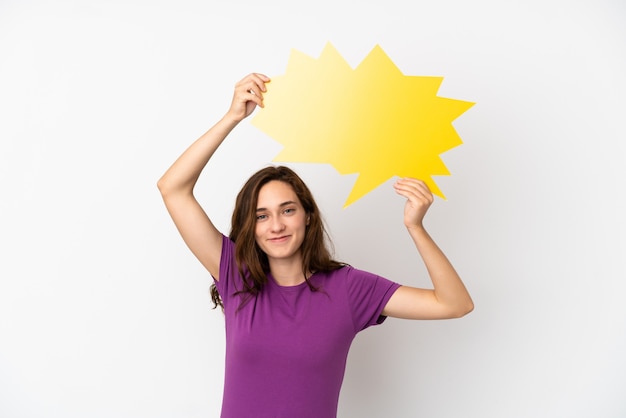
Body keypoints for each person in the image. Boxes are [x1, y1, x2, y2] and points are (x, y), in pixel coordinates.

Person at [157, 73, 473, 418]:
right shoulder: (236, 275)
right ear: (251, 226)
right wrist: (233, 117)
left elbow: (454, 304)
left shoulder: (349, 288)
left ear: (307, 215)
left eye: (287, 210)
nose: (276, 225)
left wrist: (416, 227)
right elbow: (172, 187)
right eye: (261, 216)